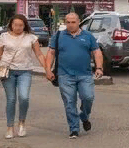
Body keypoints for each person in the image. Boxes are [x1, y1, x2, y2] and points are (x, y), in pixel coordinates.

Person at [43, 9, 104, 138]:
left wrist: (99, 68)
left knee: (88, 97)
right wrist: (48, 70)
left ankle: (84, 115)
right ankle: (74, 128)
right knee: (69, 102)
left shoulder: (88, 36)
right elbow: (51, 53)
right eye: (68, 22)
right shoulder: (58, 36)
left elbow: (97, 52)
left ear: (79, 22)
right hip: (65, 75)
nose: (70, 24)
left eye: (73, 22)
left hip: (85, 75)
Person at [0, 14, 46, 139]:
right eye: (15, 25)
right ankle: (10, 127)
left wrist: (47, 69)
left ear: (25, 26)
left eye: (21, 25)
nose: (18, 27)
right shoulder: (4, 37)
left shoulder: (31, 38)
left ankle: (22, 123)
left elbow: (39, 54)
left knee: (24, 97)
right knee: (11, 99)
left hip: (25, 71)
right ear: (11, 25)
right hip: (8, 71)